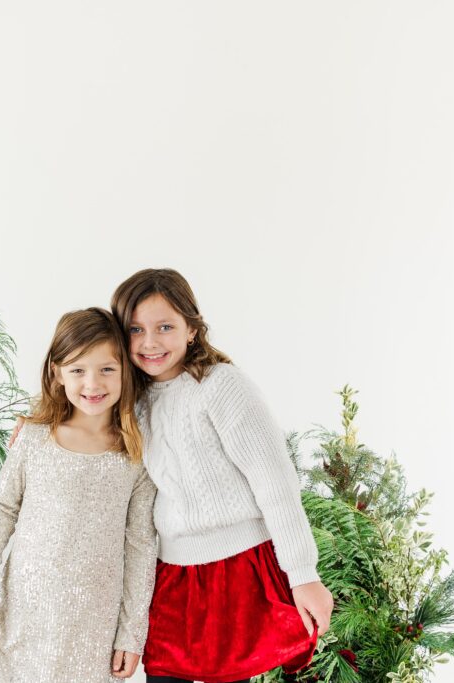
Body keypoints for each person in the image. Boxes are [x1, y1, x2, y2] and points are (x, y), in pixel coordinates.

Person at [111, 268, 334, 683]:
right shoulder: (131, 398)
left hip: (238, 570)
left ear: (192, 329)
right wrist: (38, 424)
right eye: (135, 329)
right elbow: (77, 394)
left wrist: (304, 575)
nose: (150, 342)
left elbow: (276, 483)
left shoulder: (220, 386)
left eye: (165, 327)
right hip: (173, 575)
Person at [0, 308, 158, 683]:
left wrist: (131, 634)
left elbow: (140, 546)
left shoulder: (135, 454)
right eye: (78, 370)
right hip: (25, 610)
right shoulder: (34, 438)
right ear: (57, 372)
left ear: (126, 373)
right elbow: (2, 507)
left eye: (107, 369)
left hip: (92, 623)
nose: (93, 383)